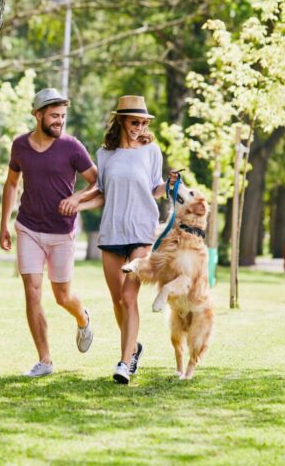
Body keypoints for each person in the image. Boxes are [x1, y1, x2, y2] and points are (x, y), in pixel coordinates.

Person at [64, 95, 178, 384]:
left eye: (143, 122)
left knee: (129, 297)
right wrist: (78, 203)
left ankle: (124, 363)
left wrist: (171, 184)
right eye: (134, 122)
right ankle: (134, 347)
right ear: (121, 121)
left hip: (141, 231)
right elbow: (101, 194)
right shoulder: (105, 154)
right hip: (112, 231)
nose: (139, 127)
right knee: (117, 300)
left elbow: (155, 189)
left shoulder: (151, 151)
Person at [0, 88, 99, 378]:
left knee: (62, 296)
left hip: (61, 232)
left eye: (63, 117)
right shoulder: (20, 146)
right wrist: (4, 223)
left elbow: (96, 182)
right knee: (32, 293)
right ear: (38, 115)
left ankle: (83, 317)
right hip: (28, 227)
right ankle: (45, 360)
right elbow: (10, 183)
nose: (59, 122)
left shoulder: (72, 147)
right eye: (54, 116)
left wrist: (77, 199)